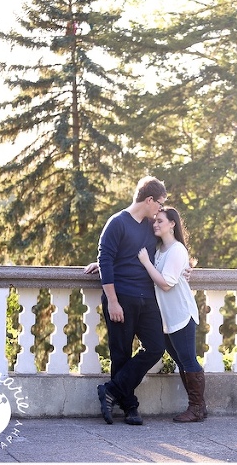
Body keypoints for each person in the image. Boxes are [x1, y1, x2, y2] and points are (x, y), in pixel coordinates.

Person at [88, 175, 168, 426]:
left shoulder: (148, 226)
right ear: (149, 199)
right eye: (159, 204)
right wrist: (112, 300)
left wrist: (186, 266)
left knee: (156, 347)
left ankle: (110, 390)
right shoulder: (117, 223)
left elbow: (171, 241)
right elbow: (107, 257)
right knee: (121, 353)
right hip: (121, 297)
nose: (159, 210)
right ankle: (130, 407)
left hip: (147, 298)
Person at [137, 206, 206, 422]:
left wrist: (146, 263)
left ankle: (196, 408)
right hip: (167, 319)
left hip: (181, 315)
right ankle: (199, 408)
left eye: (160, 220)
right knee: (181, 360)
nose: (155, 224)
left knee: (187, 360)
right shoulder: (158, 249)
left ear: (172, 224)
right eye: (154, 221)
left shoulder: (176, 250)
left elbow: (166, 284)